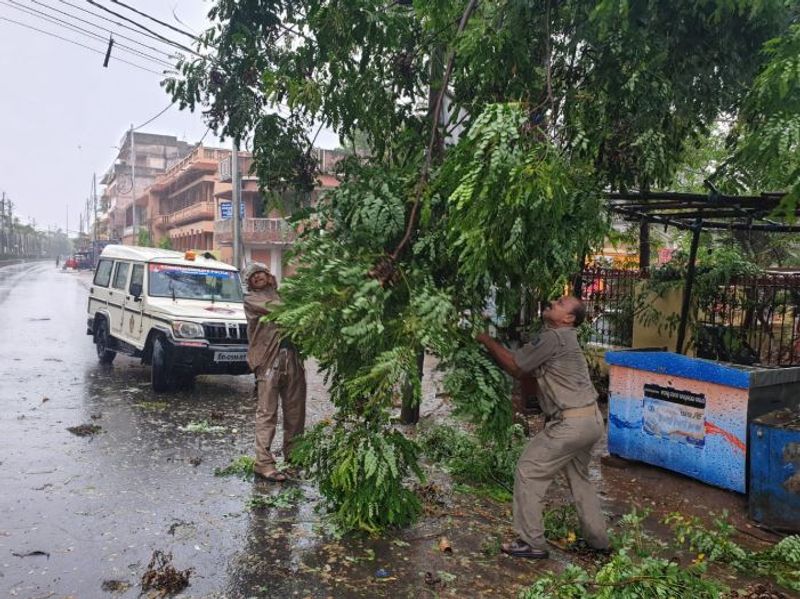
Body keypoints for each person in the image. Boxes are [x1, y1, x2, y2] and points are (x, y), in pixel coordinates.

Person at [476, 295, 608, 559]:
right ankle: (599, 542)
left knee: (528, 470)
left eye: (560, 303)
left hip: (571, 424)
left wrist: (484, 339)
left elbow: (516, 366)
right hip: (592, 420)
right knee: (580, 478)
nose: (552, 303)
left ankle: (531, 542)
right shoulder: (563, 339)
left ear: (568, 319)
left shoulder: (554, 338)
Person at [242, 262, 307, 482]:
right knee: (267, 414)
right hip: (268, 362)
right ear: (249, 283)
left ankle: (294, 459)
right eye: (253, 276)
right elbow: (280, 310)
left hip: (292, 360)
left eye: (261, 272)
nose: (257, 276)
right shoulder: (252, 300)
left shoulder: (284, 296)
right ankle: (263, 463)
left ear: (270, 276)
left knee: (296, 415)